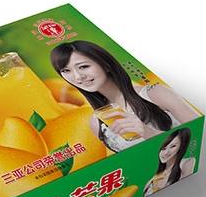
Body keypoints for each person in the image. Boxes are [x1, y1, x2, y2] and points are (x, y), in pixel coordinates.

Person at [50, 40, 200, 152]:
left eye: (83, 66)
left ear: (105, 64)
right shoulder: (97, 123)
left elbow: (199, 133)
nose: (77, 77)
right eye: (66, 70)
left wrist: (147, 132)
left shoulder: (155, 94)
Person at [143, 128, 195, 197]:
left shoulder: (186, 163)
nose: (166, 152)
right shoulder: (150, 182)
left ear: (181, 147)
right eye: (164, 148)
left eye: (173, 146)